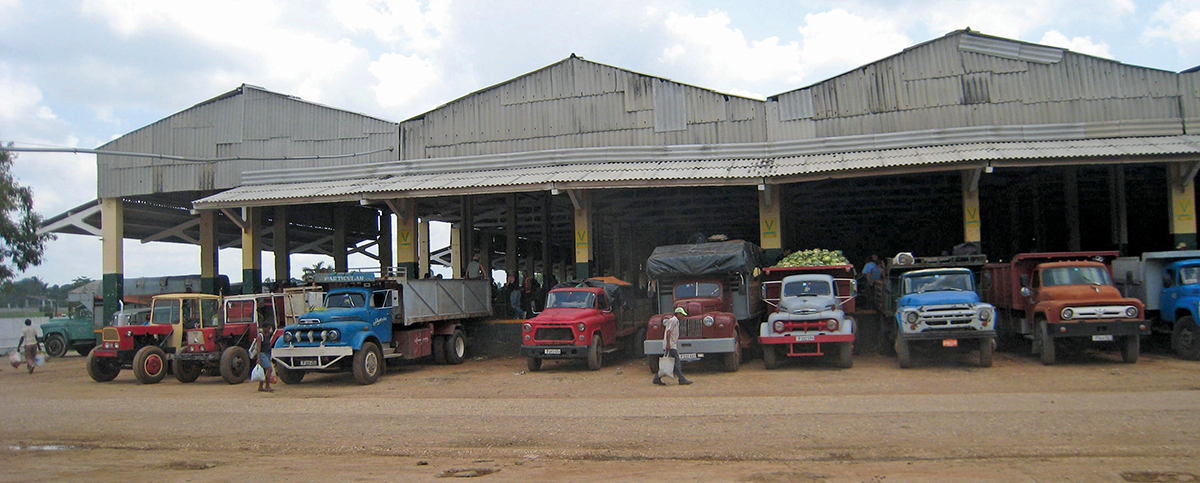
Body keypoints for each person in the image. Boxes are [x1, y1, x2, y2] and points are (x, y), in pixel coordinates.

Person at [653, 307, 693, 386]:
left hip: (671, 344)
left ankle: (657, 378)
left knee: (670, 362)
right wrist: (668, 344)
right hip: (671, 345)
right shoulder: (673, 320)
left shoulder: (675, 321)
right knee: (677, 362)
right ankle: (681, 379)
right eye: (682, 315)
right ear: (678, 313)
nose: (683, 316)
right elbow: (668, 332)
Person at [256, 322, 275, 393]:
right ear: (264, 328)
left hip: (267, 354)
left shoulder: (267, 335)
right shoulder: (260, 336)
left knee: (264, 371)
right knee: (269, 369)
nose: (269, 330)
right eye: (268, 328)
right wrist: (258, 358)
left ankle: (261, 386)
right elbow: (258, 348)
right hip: (262, 354)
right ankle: (267, 386)